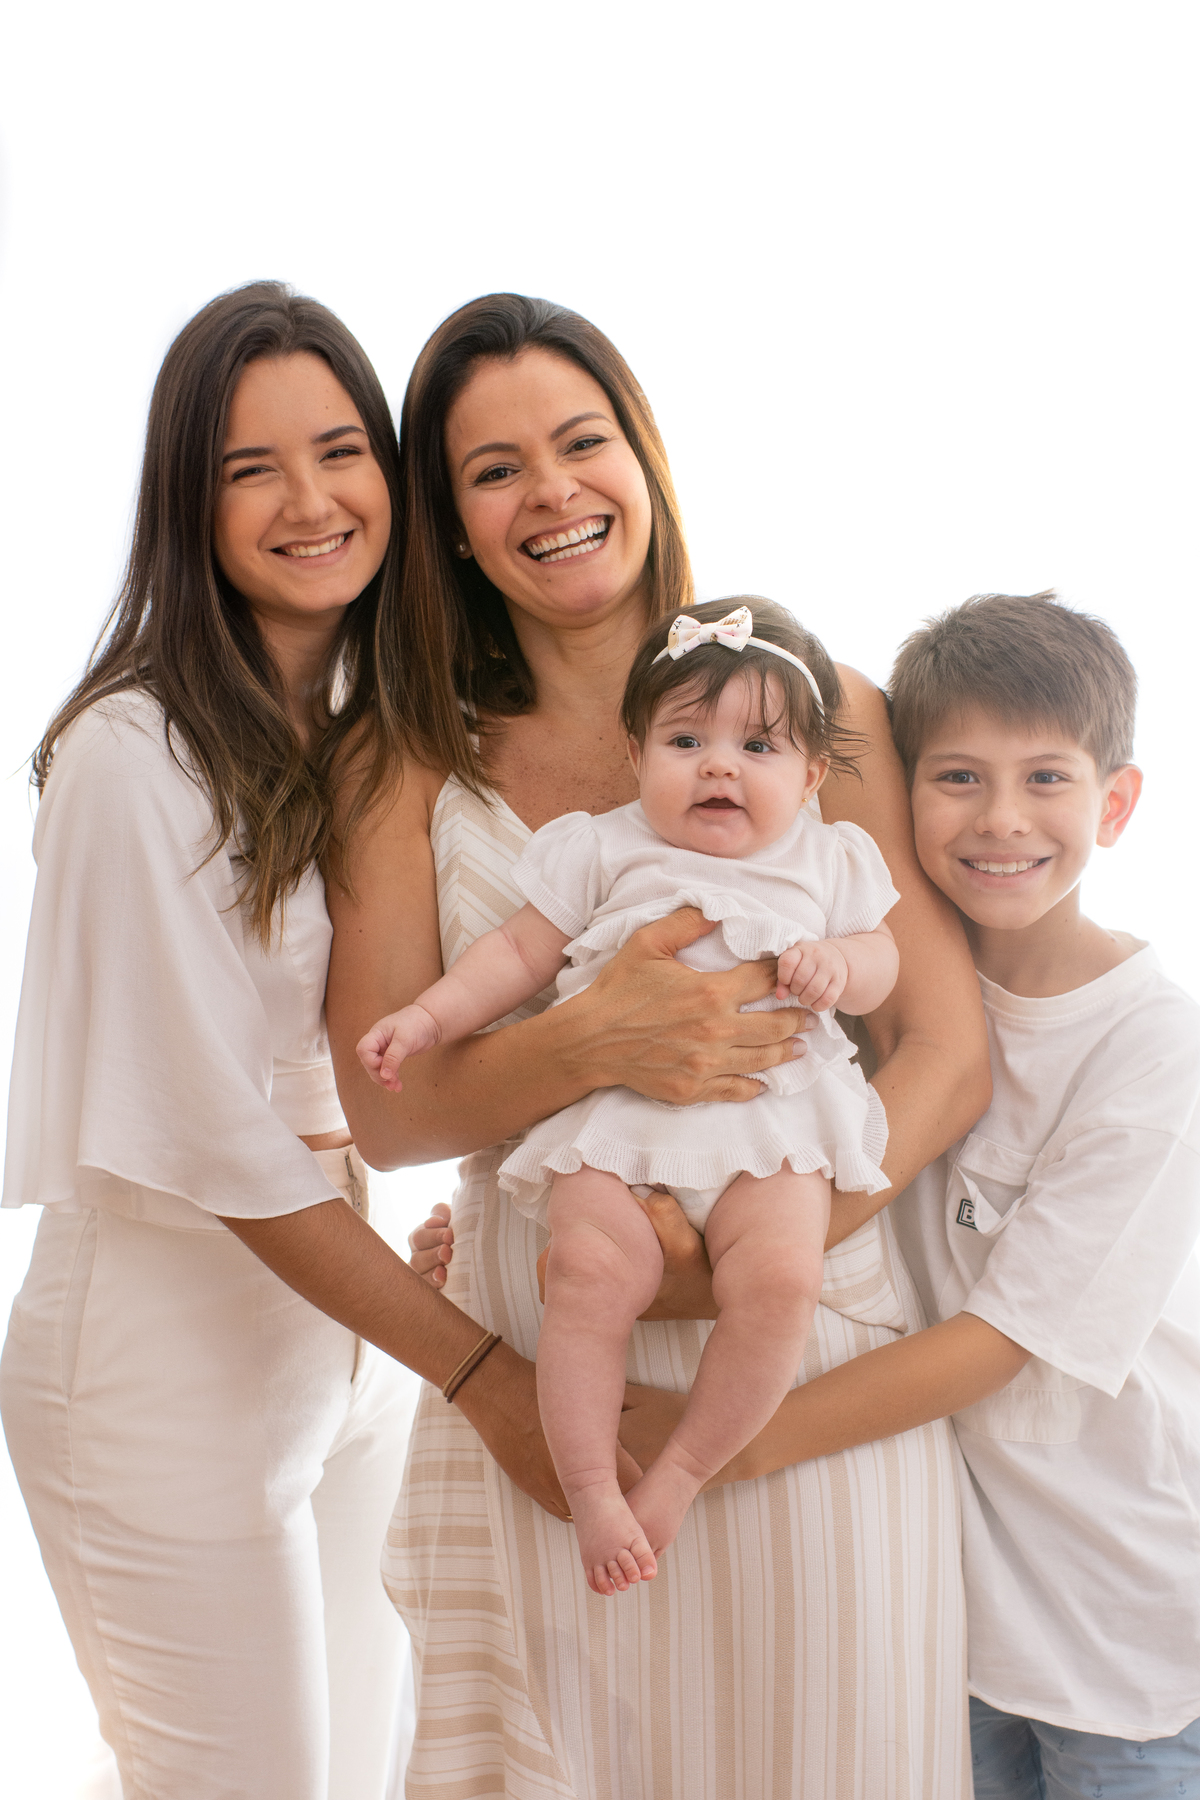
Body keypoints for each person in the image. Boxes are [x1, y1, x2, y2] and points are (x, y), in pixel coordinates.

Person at [328, 291, 991, 1798]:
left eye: (582, 442)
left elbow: (943, 1051)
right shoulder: (405, 759)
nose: (551, 491)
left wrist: (765, 1247)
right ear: (449, 526)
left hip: (807, 1343)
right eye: (494, 470)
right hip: (555, 1353)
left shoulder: (827, 710)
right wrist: (594, 1040)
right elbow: (395, 1120)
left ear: (644, 458)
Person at [0, 282, 585, 1800]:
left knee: (359, 1773)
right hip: (159, 1358)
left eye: (340, 452)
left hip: (351, 1334)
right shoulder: (131, 755)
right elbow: (215, 1144)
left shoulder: (377, 718)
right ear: (186, 507)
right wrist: (483, 1377)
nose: (312, 502)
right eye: (251, 469)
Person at [622, 592, 1200, 1797]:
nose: (1002, 819)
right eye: (957, 779)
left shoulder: (1152, 1049)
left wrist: (717, 1448)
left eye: (1046, 780)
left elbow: (1002, 1341)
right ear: (897, 792)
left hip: (1129, 1635)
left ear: (1116, 804)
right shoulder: (876, 997)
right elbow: (735, 1138)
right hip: (957, 1618)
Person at [361, 598, 899, 1595]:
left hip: (772, 1124)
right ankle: (591, 1487)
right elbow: (515, 953)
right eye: (686, 741)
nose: (719, 767)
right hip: (619, 1124)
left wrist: (843, 966)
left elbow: (881, 960)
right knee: (586, 1275)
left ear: (812, 777)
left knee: (780, 1283)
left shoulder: (827, 858)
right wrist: (428, 1018)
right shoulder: (603, 847)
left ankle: (685, 1469)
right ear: (636, 753)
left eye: (758, 746)